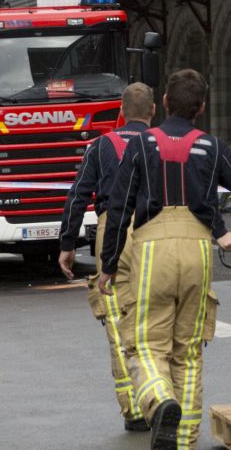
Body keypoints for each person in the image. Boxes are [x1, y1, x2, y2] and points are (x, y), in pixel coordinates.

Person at [99, 69, 231, 450]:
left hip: (152, 249)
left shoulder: (141, 146)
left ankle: (159, 400)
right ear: (201, 108)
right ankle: (183, 441)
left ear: (165, 102)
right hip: (198, 252)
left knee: (145, 345)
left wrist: (108, 265)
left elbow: (118, 208)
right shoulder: (211, 147)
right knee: (188, 352)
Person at [56, 81, 156, 432]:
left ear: (121, 113)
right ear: (153, 112)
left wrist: (67, 243)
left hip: (113, 231)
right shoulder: (164, 143)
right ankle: (161, 395)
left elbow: (79, 193)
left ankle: (134, 410)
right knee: (158, 317)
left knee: (117, 320)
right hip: (158, 231)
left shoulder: (101, 146)